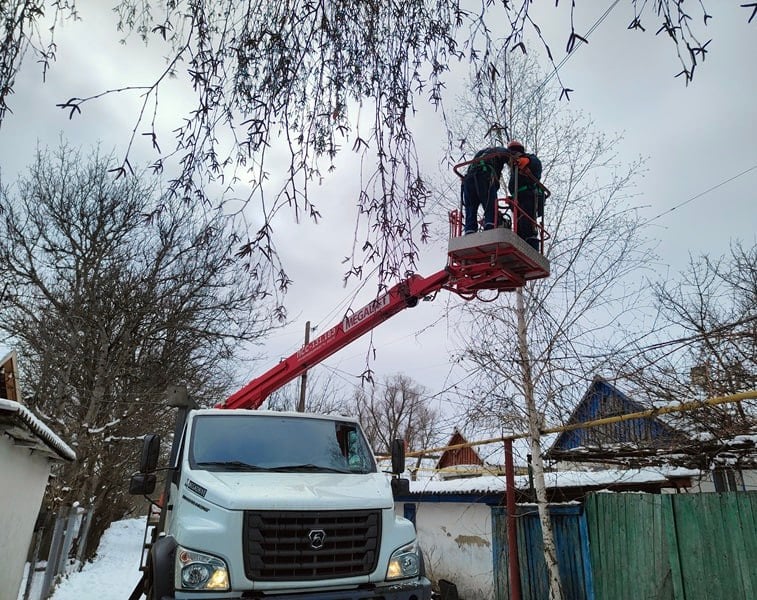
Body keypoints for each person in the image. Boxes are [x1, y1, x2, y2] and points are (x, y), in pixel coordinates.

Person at [461, 146, 510, 234]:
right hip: (484, 177)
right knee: (490, 204)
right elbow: (507, 155)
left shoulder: (480, 154)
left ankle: (469, 230)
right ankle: (490, 226)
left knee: (471, 207)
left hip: (468, 180)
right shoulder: (499, 150)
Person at [506, 139, 543, 250]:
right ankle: (520, 244)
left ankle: (532, 245)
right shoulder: (514, 169)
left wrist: (526, 161)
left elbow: (536, 164)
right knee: (519, 225)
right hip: (518, 198)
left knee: (527, 223)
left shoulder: (530, 159)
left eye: (514, 153)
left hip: (529, 195)